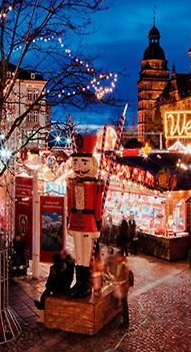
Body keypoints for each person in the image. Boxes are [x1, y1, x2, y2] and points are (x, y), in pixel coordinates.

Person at [67, 134, 104, 298]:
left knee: (87, 254)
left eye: (83, 162)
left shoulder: (95, 184)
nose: (79, 166)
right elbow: (69, 203)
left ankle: (86, 284)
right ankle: (79, 282)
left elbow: (98, 206)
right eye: (76, 162)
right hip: (76, 221)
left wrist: (98, 223)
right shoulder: (71, 182)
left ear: (92, 164)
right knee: (79, 254)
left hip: (89, 222)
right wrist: (69, 220)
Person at [111, 251, 132, 329]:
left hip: (123, 287)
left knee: (124, 304)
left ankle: (125, 322)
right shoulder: (119, 265)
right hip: (121, 286)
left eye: (117, 257)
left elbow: (124, 278)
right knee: (122, 303)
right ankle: (121, 317)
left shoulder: (124, 266)